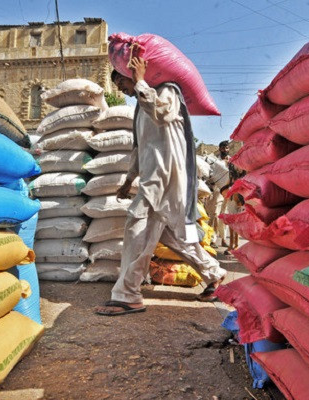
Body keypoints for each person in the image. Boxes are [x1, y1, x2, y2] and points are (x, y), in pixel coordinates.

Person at [95, 49, 227, 316]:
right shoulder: (139, 110)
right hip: (154, 177)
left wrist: (141, 79)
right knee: (174, 236)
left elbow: (162, 113)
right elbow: (139, 148)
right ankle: (214, 274)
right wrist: (128, 180)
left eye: (124, 84)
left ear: (130, 74)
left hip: (166, 177)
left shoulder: (168, 91)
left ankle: (128, 295)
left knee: (137, 227)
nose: (125, 91)